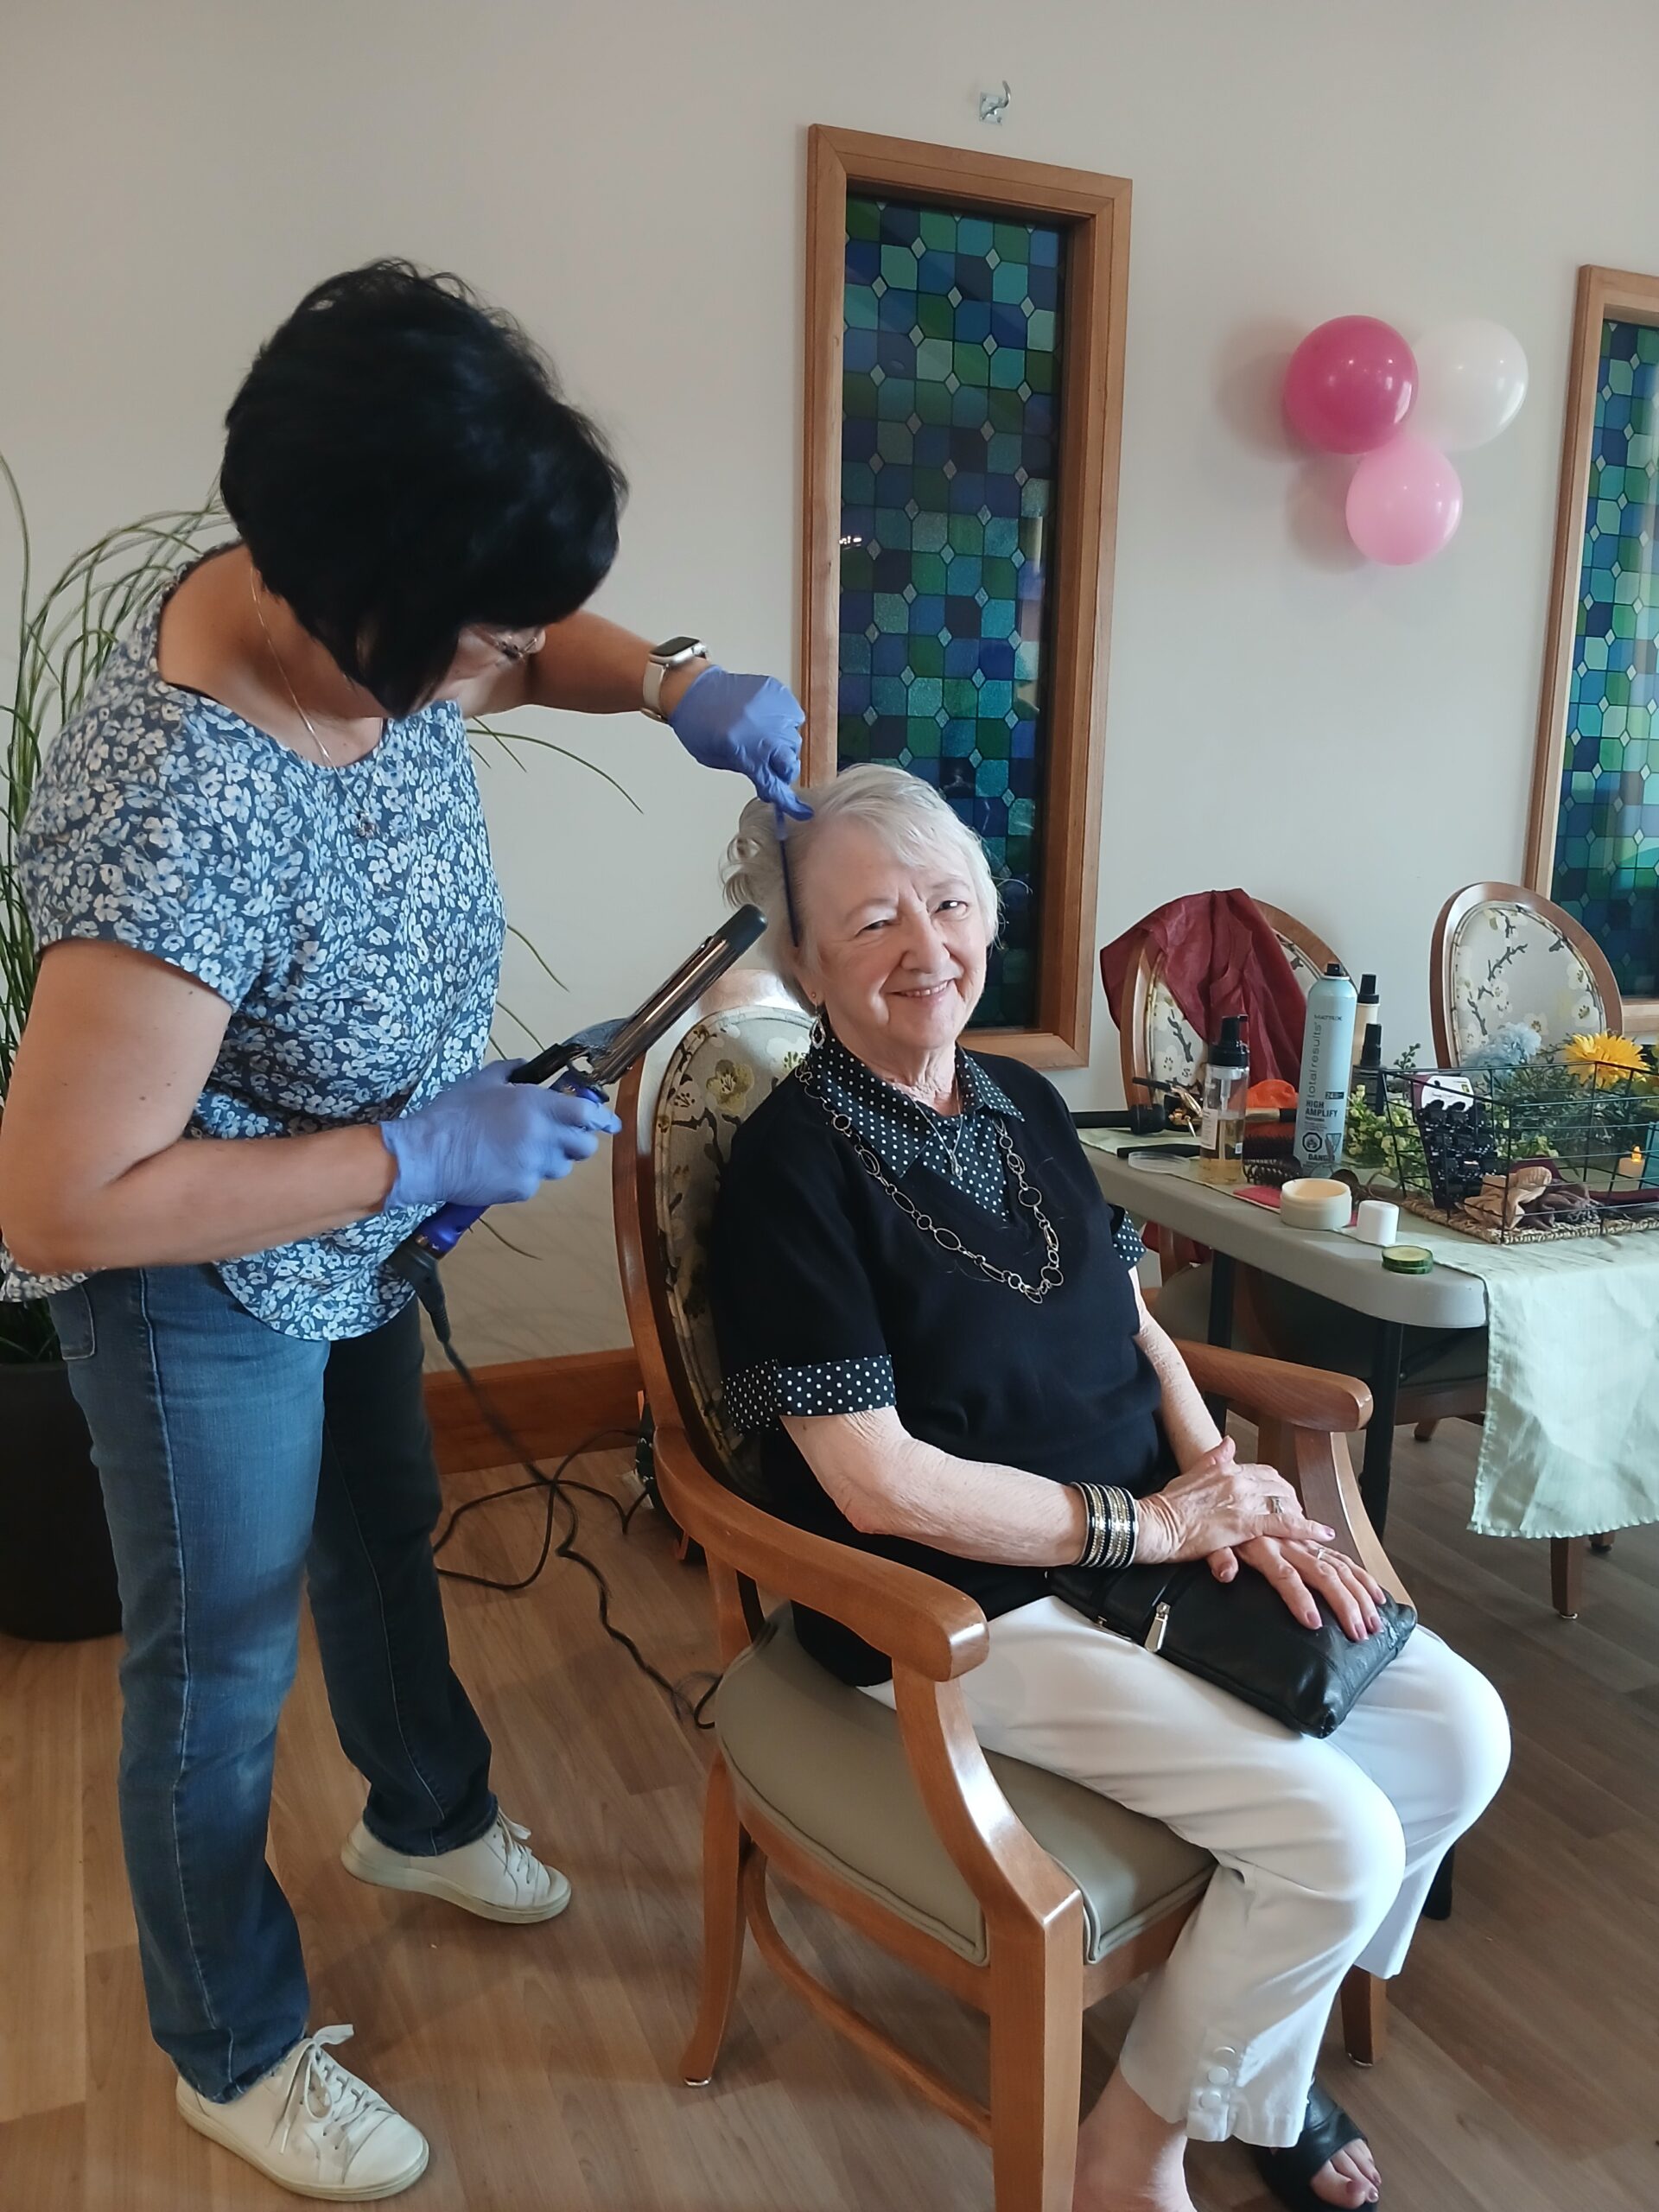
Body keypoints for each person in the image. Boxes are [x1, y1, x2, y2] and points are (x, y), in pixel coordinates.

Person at [0, 262, 808, 2202]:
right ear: (355, 597)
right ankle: (230, 2044)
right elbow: (57, 1195)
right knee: (215, 1664)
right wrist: (411, 1144)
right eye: (482, 640)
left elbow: (539, 646)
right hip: (205, 1279)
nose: (507, 667)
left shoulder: (364, 602)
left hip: (368, 1223)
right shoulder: (183, 802)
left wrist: (679, 681)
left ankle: (423, 1815)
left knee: (382, 1529)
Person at [709, 766, 1510, 2212]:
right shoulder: (789, 1176)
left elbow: (1131, 1327)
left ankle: (1252, 2070)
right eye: (872, 919)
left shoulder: (1018, 1098)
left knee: (1459, 1734)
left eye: (948, 903)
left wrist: (1223, 1478)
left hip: (1143, 1538)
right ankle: (1128, 2154)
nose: (924, 946)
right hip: (962, 1606)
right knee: (1336, 1834)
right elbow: (876, 1485)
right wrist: (1157, 1521)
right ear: (805, 958)